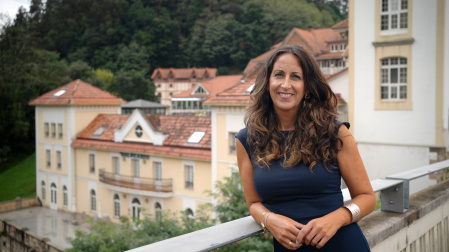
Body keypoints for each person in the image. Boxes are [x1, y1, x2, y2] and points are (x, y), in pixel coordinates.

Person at [236, 45, 375, 251]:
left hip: (342, 245)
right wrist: (269, 220)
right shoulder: (247, 140)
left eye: (296, 77)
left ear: (307, 86)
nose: (285, 84)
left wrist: (337, 219)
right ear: (267, 83)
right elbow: (254, 203)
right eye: (279, 75)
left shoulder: (335, 134)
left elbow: (367, 198)